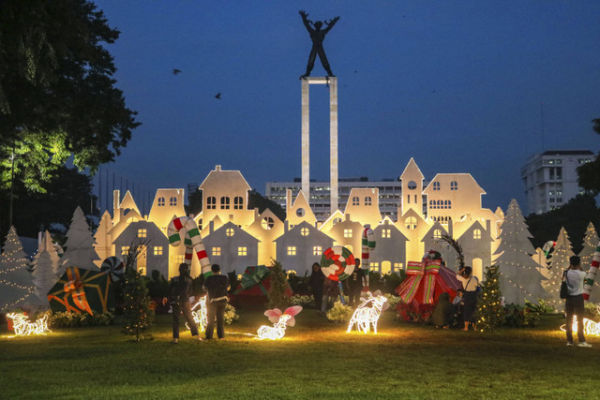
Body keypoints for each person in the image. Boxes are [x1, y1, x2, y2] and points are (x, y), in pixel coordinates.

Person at [163, 263, 201, 343]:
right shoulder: (190, 280)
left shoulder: (174, 279)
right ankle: (197, 336)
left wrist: (166, 297)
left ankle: (175, 338)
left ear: (179, 270)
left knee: (176, 319)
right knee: (190, 318)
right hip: (185, 301)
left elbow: (169, 289)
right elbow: (192, 291)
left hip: (175, 300)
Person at [299, 10, 340, 77]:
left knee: (323, 60)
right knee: (312, 60)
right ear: (315, 26)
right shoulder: (313, 31)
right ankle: (308, 73)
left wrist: (334, 21)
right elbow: (306, 25)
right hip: (315, 47)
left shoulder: (320, 32)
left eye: (319, 25)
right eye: (317, 25)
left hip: (318, 47)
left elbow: (329, 27)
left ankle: (329, 73)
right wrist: (303, 17)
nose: (318, 26)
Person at [564, 255, 591, 347]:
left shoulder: (566, 272)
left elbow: (563, 280)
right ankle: (581, 340)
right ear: (579, 263)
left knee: (569, 319)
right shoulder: (582, 274)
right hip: (578, 298)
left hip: (569, 298)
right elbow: (586, 281)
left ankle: (569, 341)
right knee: (580, 319)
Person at [203, 264, 230, 340]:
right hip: (223, 299)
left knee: (211, 319)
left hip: (212, 301)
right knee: (220, 318)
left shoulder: (209, 279)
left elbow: (204, 288)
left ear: (212, 270)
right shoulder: (224, 278)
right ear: (219, 270)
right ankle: (221, 336)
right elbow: (228, 287)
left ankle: (209, 336)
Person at [456, 266, 479, 331]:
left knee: (467, 311)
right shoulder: (474, 279)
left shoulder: (463, 279)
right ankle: (475, 327)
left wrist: (462, 269)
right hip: (474, 295)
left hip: (467, 295)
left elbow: (457, 275)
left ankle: (466, 327)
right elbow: (477, 286)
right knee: (473, 311)